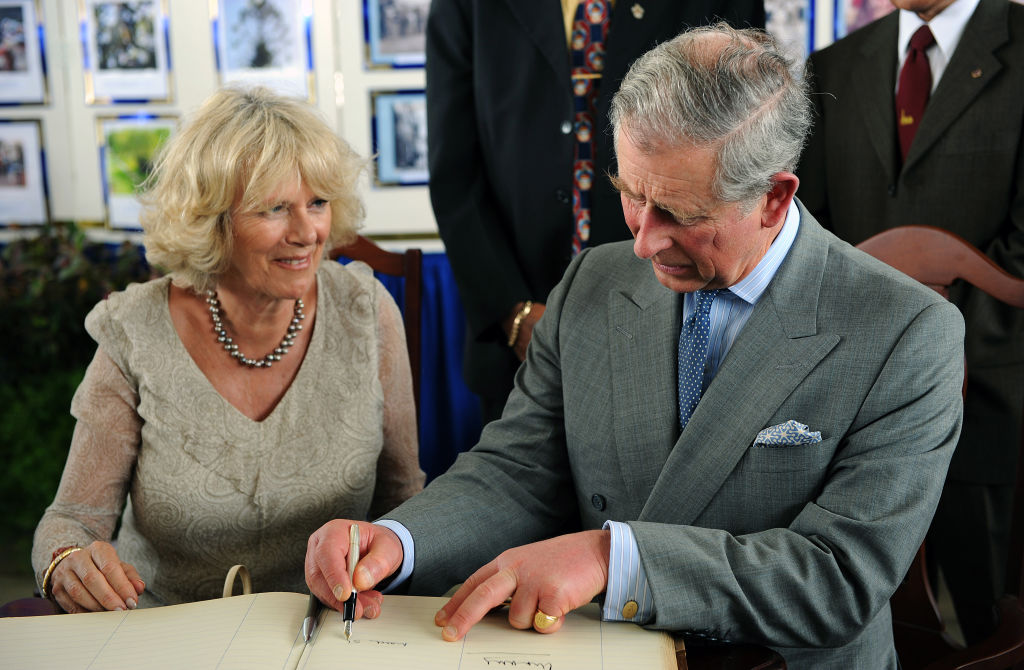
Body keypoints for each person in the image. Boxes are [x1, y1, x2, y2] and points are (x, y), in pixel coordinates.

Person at [306, 24, 966, 667]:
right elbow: (519, 470)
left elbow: (838, 580)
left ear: (774, 198)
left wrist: (610, 558)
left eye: (677, 212)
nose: (643, 242)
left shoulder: (907, 333)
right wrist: (395, 539)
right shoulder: (595, 280)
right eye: (629, 194)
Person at [32, 86, 425, 613]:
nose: (307, 232)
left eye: (318, 203)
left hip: (325, 629)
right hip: (164, 631)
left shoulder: (366, 310)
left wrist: (385, 576)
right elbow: (73, 518)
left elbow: (404, 499)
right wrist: (68, 562)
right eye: (276, 209)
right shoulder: (135, 329)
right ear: (214, 221)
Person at [796, 0, 1024, 643]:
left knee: (994, 624)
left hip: (995, 393)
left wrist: (920, 346)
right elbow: (806, 237)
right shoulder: (832, 66)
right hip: (851, 407)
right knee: (869, 619)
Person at [426, 0, 766, 423]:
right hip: (517, 333)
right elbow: (454, 174)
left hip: (678, 327)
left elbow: (747, 155)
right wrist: (514, 312)